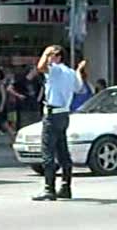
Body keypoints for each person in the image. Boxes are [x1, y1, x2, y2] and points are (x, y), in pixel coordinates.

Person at [32, 45, 85, 201]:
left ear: (58, 57)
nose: (49, 58)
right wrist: (79, 71)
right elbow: (79, 88)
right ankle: (66, 187)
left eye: (52, 55)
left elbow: (40, 67)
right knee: (63, 152)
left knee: (47, 153)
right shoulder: (70, 72)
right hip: (63, 115)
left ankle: (49, 189)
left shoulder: (56, 70)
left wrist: (45, 51)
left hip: (52, 115)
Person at [0, 69, 15, 144]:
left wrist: (1, 106)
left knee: (4, 124)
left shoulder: (0, 85)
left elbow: (3, 96)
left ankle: (13, 139)